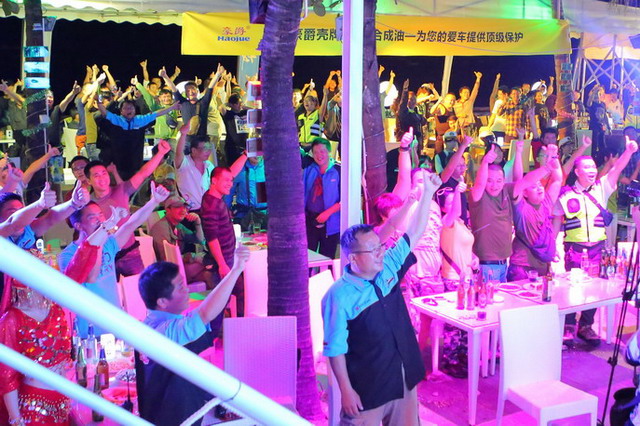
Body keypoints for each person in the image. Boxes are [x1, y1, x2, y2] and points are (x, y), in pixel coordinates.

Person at [321, 170, 440, 425]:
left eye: (380, 246)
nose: (380, 253)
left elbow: (414, 233)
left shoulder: (389, 268)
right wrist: (346, 390)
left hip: (404, 378)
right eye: (373, 250)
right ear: (353, 258)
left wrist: (428, 193)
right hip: (368, 389)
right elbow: (335, 349)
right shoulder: (339, 296)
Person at [135, 244, 249, 426]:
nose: (187, 289)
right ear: (162, 301)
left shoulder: (149, 324)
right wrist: (236, 270)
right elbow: (204, 314)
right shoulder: (164, 333)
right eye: (181, 287)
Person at [553, 136, 637, 347]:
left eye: (593, 167)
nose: (592, 170)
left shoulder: (602, 188)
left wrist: (628, 152)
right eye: (587, 167)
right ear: (577, 171)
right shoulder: (565, 194)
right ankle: (569, 327)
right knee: (572, 289)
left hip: (598, 248)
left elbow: (616, 169)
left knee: (594, 289)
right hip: (574, 248)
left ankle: (586, 326)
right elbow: (555, 222)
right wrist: (552, 246)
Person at [59, 181, 170, 337]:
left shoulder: (108, 243)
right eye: (92, 217)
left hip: (115, 324)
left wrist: (154, 201)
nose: (99, 220)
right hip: (90, 330)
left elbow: (131, 224)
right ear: (78, 225)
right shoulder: (67, 256)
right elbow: (91, 276)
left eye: (100, 214)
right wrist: (101, 234)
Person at [84, 140, 172, 277]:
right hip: (105, 256)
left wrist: (160, 153)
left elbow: (143, 173)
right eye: (96, 175)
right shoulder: (87, 204)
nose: (102, 178)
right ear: (89, 181)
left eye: (104, 173)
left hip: (130, 254)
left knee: (139, 287)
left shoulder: (121, 190)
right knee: (108, 289)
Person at [507, 144, 563, 280]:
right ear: (525, 193)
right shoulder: (521, 207)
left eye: (540, 185)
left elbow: (557, 180)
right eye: (533, 186)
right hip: (522, 267)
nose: (539, 188)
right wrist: (518, 152)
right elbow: (518, 181)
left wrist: (554, 157)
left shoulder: (546, 203)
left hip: (543, 265)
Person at [201, 157, 248, 312]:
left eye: (231, 180)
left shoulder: (211, 196)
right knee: (235, 296)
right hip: (223, 261)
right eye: (226, 180)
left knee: (237, 294)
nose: (230, 184)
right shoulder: (212, 205)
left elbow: (230, 173)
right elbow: (212, 238)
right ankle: (236, 323)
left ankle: (233, 321)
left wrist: (245, 154)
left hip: (227, 258)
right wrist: (222, 264)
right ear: (214, 181)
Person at [150, 195, 213, 289]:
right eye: (177, 207)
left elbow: (199, 240)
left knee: (208, 274)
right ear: (168, 210)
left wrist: (197, 222)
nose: (183, 210)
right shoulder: (161, 228)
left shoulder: (177, 225)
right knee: (209, 265)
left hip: (176, 268)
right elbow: (166, 259)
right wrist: (189, 257)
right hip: (167, 274)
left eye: (184, 207)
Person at [302, 138, 341, 259]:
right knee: (307, 258)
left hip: (330, 223)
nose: (319, 155)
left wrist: (327, 213)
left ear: (329, 151)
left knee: (327, 259)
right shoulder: (309, 169)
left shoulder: (338, 170)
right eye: (315, 152)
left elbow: (344, 199)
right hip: (310, 221)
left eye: (322, 151)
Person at [227, 155, 267, 230]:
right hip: (244, 215)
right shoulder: (239, 168)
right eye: (253, 151)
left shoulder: (268, 167)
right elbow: (229, 191)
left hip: (264, 214)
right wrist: (227, 209)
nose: (257, 155)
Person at [453, 71, 482, 136]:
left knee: (471, 140)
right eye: (465, 92)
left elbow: (475, 90)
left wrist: (478, 79)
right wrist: (459, 115)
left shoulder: (470, 101)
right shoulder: (455, 103)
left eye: (468, 92)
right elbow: (452, 114)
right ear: (460, 94)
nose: (467, 94)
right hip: (459, 126)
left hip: (470, 125)